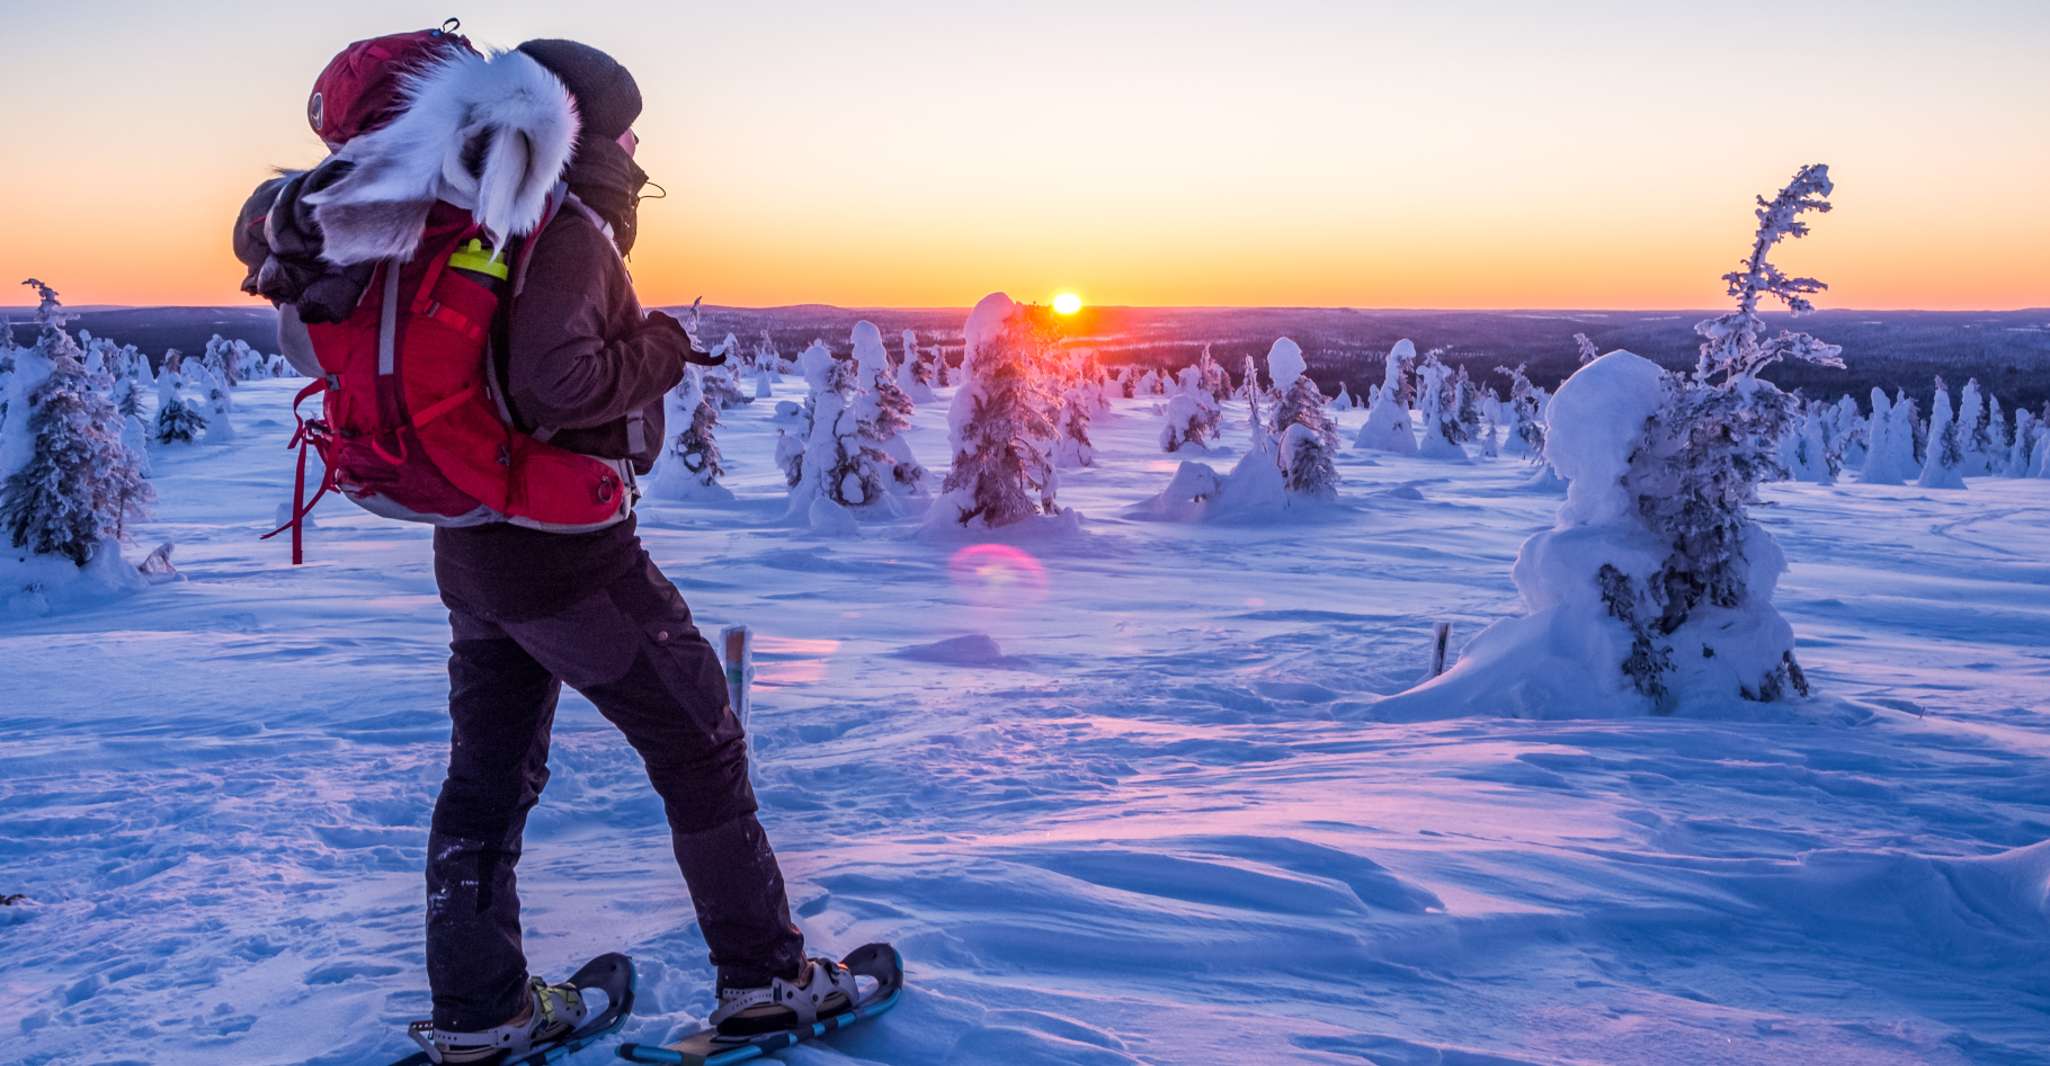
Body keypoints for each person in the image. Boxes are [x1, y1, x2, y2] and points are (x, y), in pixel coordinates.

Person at [235, 35, 854, 1063]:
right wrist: (660, 348)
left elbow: (314, 342)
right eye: (625, 129)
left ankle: (482, 1012)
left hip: (471, 549)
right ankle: (764, 978)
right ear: (583, 129)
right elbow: (560, 383)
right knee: (699, 747)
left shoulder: (423, 217)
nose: (637, 150)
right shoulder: (552, 225)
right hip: (570, 558)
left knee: (485, 776)